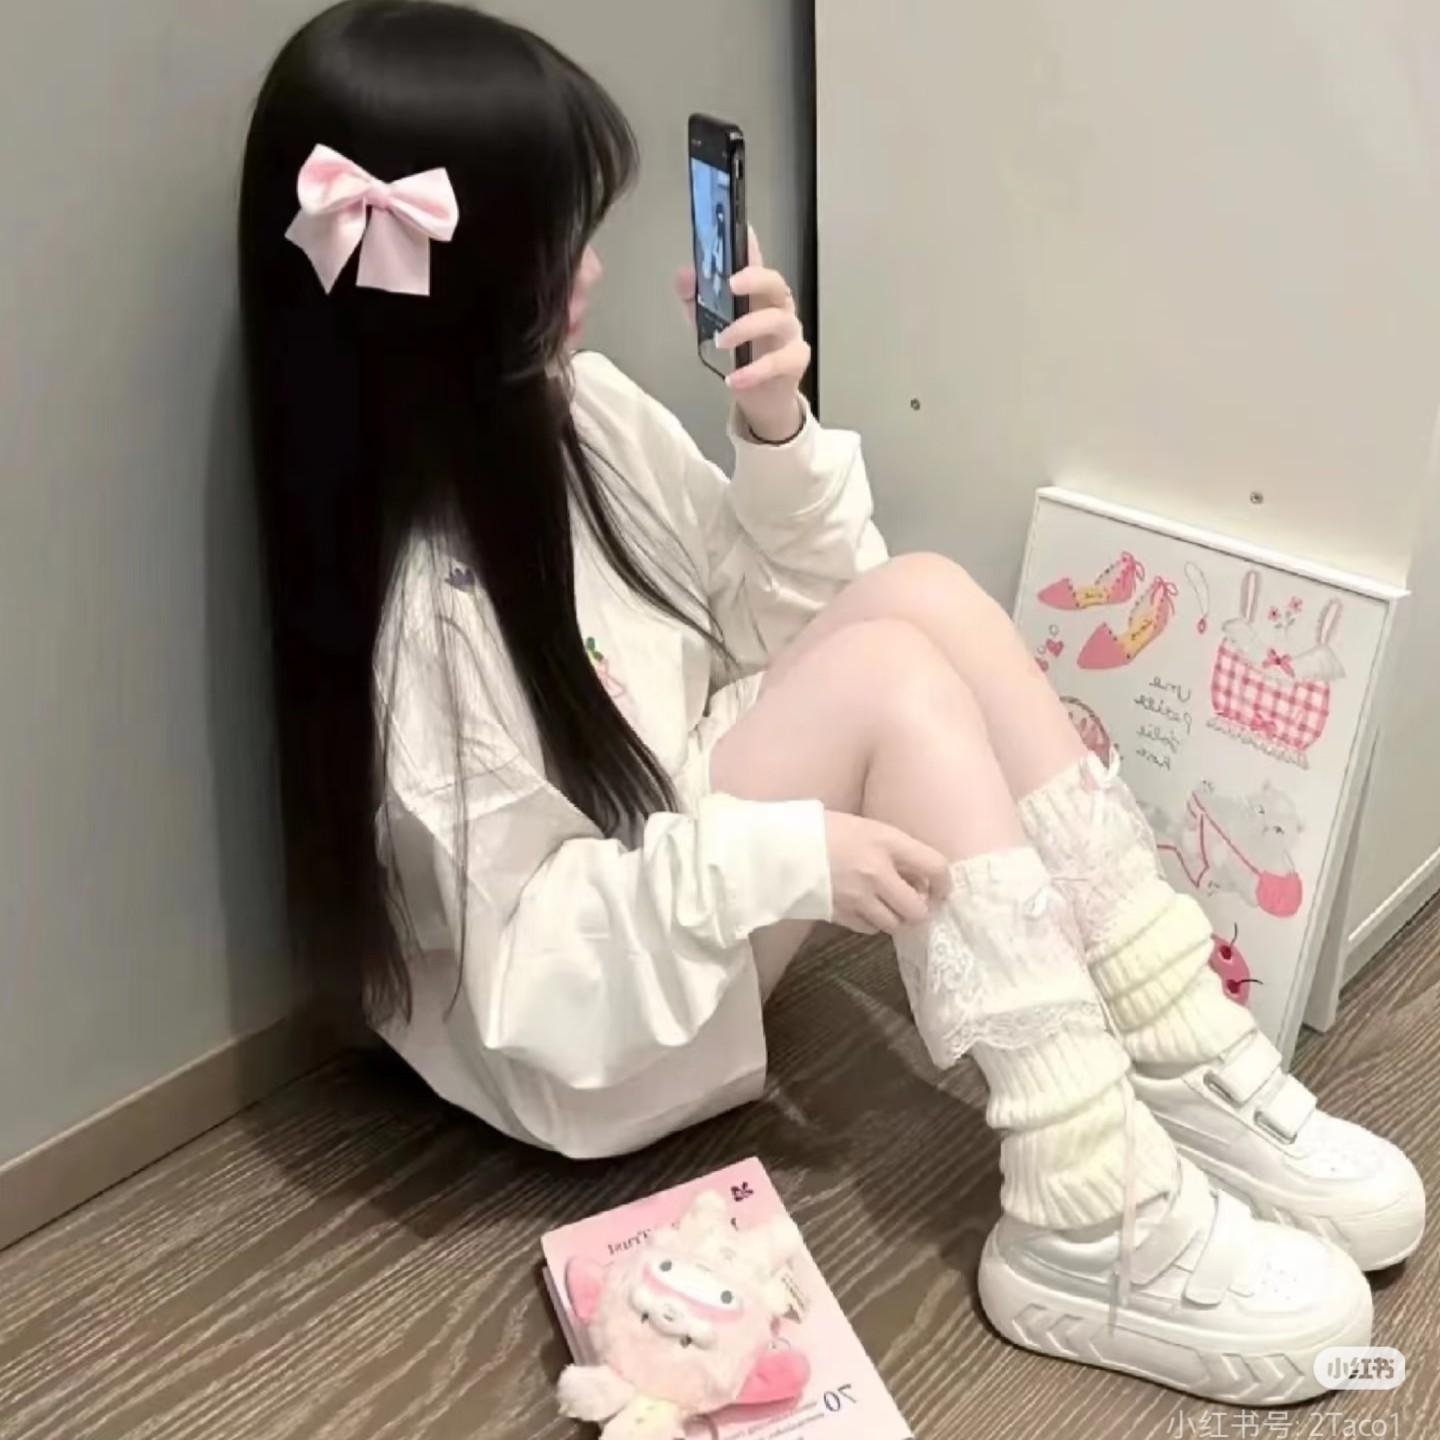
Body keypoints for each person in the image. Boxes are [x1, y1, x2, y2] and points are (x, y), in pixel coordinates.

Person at [240, 0, 1422, 1406]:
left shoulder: (580, 411)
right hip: (592, 1032)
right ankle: (1086, 1213)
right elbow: (533, 973)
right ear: (461, 284)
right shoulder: (420, 621)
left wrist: (775, 430)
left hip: (682, 880)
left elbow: (776, 626)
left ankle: (1167, 1043)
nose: (595, 268)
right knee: (890, 675)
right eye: (558, 244)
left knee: (920, 594)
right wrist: (790, 854)